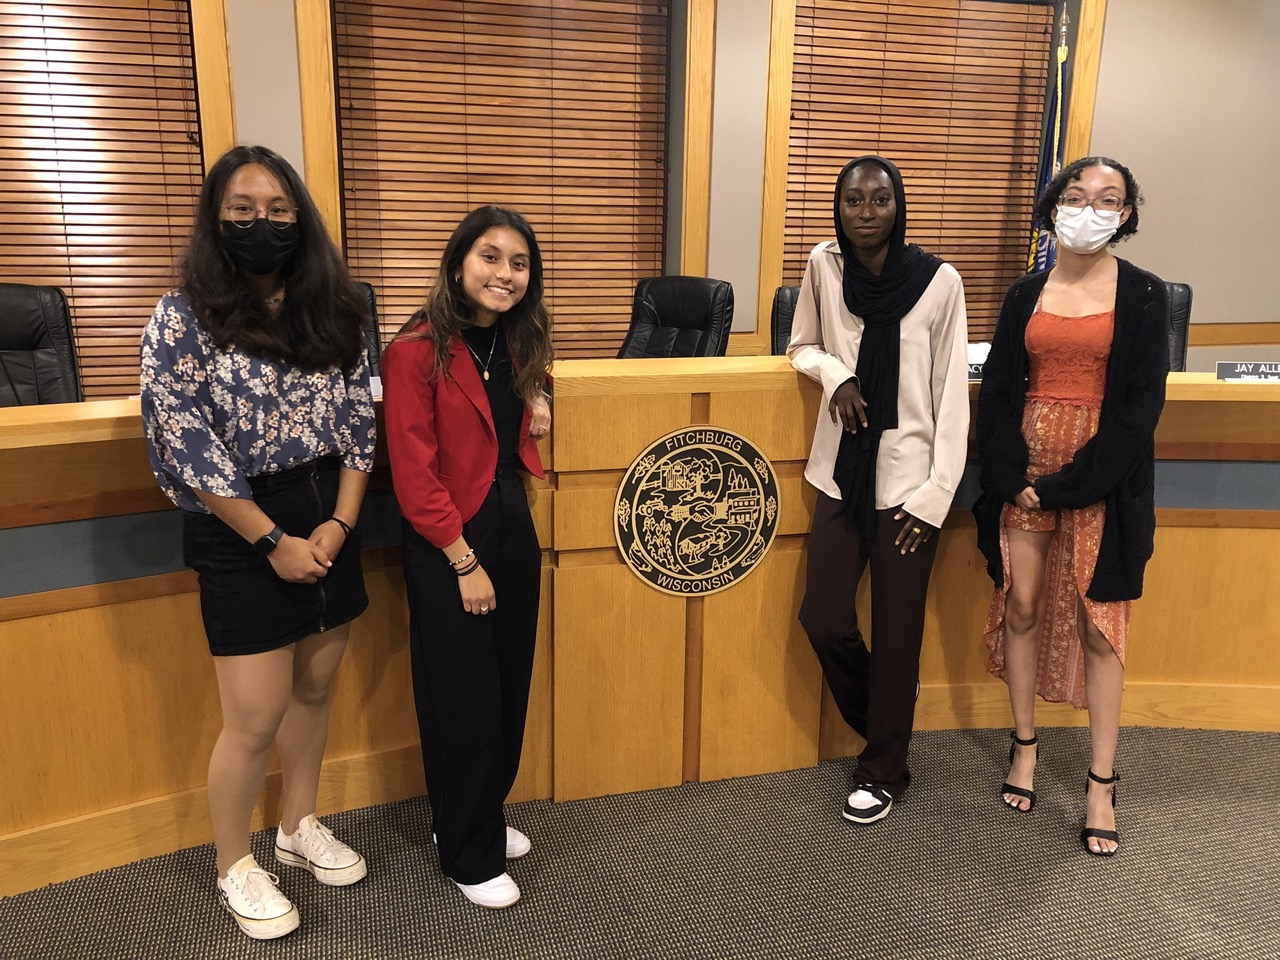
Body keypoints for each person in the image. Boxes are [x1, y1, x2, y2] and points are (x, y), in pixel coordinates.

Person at [140, 145, 375, 939]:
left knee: (315, 688)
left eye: (277, 209)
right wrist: (272, 539)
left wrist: (340, 524)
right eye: (241, 210)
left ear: (300, 217)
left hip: (328, 509)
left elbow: (359, 425)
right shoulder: (181, 316)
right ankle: (234, 864)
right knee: (253, 716)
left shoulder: (339, 306)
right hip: (239, 522)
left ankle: (297, 824)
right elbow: (187, 443)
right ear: (215, 219)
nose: (261, 223)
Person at [975, 156, 1168, 857]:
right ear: (1055, 205)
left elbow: (1140, 407)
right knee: (1021, 606)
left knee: (1098, 625)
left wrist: (1068, 484)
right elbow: (998, 386)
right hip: (1024, 470)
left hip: (1101, 478)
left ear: (1126, 215)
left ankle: (1100, 783)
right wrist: (1006, 471)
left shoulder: (1145, 295)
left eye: (1109, 198)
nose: (1091, 207)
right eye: (1078, 195)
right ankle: (1023, 746)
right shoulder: (1025, 292)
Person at [789, 156, 969, 825]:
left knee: (898, 632)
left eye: (880, 199)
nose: (866, 212)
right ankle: (890, 711)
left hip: (910, 482)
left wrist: (935, 494)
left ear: (899, 205)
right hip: (839, 472)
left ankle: (883, 767)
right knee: (825, 616)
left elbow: (952, 395)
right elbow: (800, 343)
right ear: (838, 207)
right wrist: (834, 373)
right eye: (853, 200)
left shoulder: (939, 281)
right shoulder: (823, 266)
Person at [381, 205, 552, 909]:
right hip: (449, 539)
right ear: (458, 263)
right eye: (490, 257)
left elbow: (504, 423)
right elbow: (414, 475)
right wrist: (462, 559)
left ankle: (474, 815)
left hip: (511, 521)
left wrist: (539, 399)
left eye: (518, 263)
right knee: (464, 701)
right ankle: (466, 854)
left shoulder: (515, 339)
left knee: (508, 687)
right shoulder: (415, 350)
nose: (504, 273)